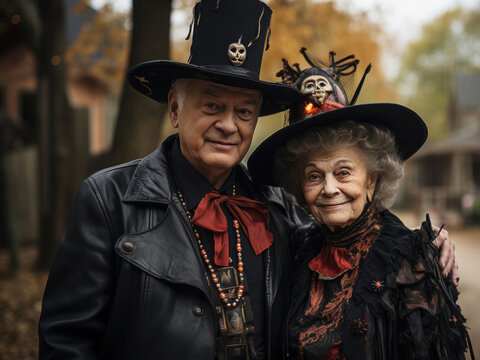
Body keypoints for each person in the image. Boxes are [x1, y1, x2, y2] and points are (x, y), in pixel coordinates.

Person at [38, 2, 456, 359]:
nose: (228, 125)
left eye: (243, 111)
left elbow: (350, 231)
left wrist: (427, 246)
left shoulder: (279, 210)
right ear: (174, 107)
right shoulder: (109, 199)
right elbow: (66, 342)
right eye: (212, 105)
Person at [247, 51, 472, 359]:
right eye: (314, 176)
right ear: (299, 187)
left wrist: (424, 248)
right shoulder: (297, 248)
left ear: (372, 180)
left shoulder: (411, 259)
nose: (329, 189)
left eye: (343, 172)